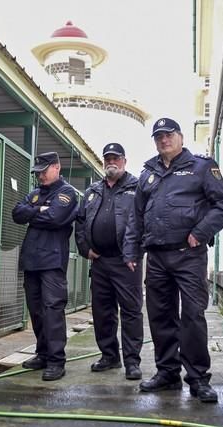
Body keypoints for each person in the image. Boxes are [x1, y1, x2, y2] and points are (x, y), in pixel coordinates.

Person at [124, 118, 223, 403]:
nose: (164, 140)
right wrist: (132, 251)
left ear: (181, 137)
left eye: (169, 134)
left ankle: (198, 378)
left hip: (189, 256)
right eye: (158, 136)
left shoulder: (201, 167)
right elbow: (136, 216)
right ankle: (167, 373)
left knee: (193, 316)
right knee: (160, 316)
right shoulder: (148, 172)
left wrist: (200, 232)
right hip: (157, 256)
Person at [75, 143, 143, 381]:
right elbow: (81, 221)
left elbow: (144, 221)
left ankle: (132, 362)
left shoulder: (137, 187)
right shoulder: (93, 190)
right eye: (107, 159)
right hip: (100, 262)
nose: (111, 162)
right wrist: (85, 248)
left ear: (124, 161)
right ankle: (109, 356)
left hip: (127, 262)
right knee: (102, 312)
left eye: (115, 158)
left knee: (131, 312)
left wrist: (135, 251)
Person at [12, 151, 78, 381]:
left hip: (51, 261)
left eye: (43, 171)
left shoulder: (67, 192)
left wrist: (35, 211)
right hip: (31, 261)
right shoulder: (36, 193)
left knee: (52, 311)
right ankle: (42, 354)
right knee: (36, 311)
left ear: (56, 167)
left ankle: (56, 361)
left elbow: (54, 218)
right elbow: (16, 213)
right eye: (37, 173)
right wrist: (38, 210)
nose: (40, 176)